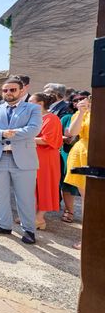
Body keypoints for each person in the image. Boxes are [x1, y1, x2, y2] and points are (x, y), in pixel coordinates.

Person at [0, 77, 42, 244]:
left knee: (25, 197)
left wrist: (11, 133)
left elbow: (34, 129)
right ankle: (4, 225)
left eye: (12, 90)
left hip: (23, 160)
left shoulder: (33, 108)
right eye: (5, 90)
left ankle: (29, 230)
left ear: (21, 91)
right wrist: (1, 134)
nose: (8, 93)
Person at [30, 93, 63, 230]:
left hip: (46, 157)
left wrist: (25, 138)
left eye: (31, 101)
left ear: (40, 104)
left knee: (45, 185)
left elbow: (46, 140)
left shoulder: (51, 118)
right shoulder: (35, 118)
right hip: (34, 155)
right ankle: (31, 215)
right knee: (32, 187)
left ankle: (39, 218)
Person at [64, 95, 91, 249]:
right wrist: (81, 112)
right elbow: (72, 132)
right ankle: (89, 237)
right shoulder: (84, 111)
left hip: (99, 152)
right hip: (83, 154)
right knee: (88, 201)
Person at [59, 93, 85, 223]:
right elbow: (62, 134)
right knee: (67, 183)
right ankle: (69, 210)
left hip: (87, 152)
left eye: (82, 99)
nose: (79, 102)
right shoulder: (67, 117)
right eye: (76, 100)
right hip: (67, 152)